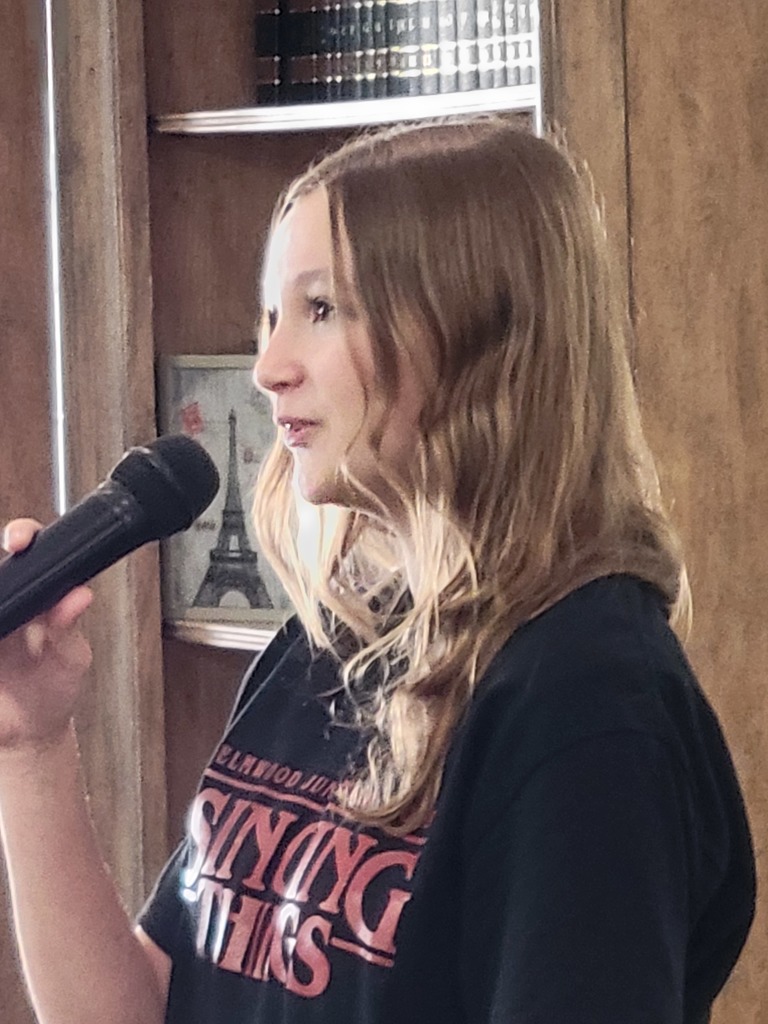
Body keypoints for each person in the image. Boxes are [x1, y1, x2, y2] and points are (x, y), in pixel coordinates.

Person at [0, 116, 756, 1024]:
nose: (268, 367)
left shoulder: (586, 700)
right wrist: (32, 746)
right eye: (272, 315)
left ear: (478, 333)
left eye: (322, 310)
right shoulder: (321, 649)